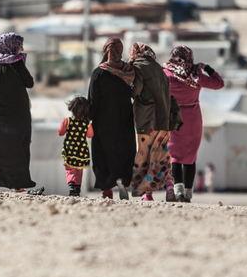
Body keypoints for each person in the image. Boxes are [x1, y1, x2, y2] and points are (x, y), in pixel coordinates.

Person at [163, 45, 225, 202]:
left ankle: (178, 193)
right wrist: (207, 68)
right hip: (192, 120)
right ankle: (188, 195)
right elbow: (219, 83)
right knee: (190, 157)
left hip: (172, 117)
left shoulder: (165, 74)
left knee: (174, 156)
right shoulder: (196, 74)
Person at [0, 32, 37, 193]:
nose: (21, 48)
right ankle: (18, 184)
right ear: (13, 46)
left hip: (2, 111)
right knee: (19, 146)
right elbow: (29, 83)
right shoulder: (17, 63)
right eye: (19, 45)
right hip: (20, 112)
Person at [127, 42, 177, 201]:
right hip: (163, 121)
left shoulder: (138, 67)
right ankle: (169, 185)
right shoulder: (159, 69)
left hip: (146, 121)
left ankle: (148, 194)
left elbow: (135, 91)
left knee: (145, 156)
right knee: (161, 155)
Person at [88, 37, 136, 200]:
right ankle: (123, 181)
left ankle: (106, 189)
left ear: (105, 51)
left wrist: (87, 118)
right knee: (125, 152)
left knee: (103, 154)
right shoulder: (129, 71)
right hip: (125, 120)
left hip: (103, 122)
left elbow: (92, 100)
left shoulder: (99, 72)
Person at [58, 96, 93, 197]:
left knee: (70, 170)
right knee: (79, 170)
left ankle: (71, 187)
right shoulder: (87, 123)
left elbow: (60, 132)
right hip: (82, 151)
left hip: (70, 150)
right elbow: (90, 135)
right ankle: (77, 190)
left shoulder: (67, 121)